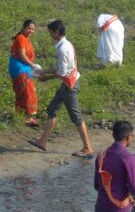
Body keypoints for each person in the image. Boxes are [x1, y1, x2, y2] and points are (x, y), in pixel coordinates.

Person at [28, 20, 94, 158]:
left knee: (76, 117)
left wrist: (46, 77)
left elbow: (61, 72)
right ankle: (42, 141)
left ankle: (88, 148)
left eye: (50, 32)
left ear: (56, 32)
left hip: (69, 85)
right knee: (52, 109)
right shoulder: (66, 44)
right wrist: (43, 72)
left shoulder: (62, 49)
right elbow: (60, 68)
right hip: (69, 82)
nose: (50, 35)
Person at [94, 120, 135, 212]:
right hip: (119, 208)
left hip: (101, 206)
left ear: (113, 135)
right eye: (132, 135)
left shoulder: (101, 155)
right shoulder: (129, 158)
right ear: (128, 137)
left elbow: (97, 185)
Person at [9, 19, 41, 127]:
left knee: (24, 90)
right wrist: (32, 65)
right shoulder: (21, 38)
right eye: (29, 28)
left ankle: (20, 114)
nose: (31, 31)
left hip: (24, 68)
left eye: (33, 29)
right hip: (20, 68)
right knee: (27, 91)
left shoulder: (25, 39)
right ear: (23, 28)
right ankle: (28, 117)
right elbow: (22, 55)